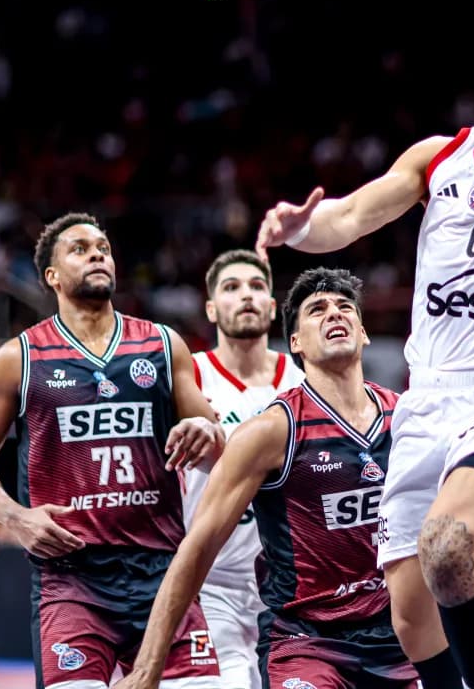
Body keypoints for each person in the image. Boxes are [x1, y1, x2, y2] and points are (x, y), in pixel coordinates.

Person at [255, 0, 474, 689]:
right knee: (411, 616)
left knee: (449, 553)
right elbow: (352, 215)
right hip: (429, 400)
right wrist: (301, 228)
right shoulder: (442, 156)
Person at [112, 267, 437, 689]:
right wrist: (147, 667)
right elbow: (197, 548)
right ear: (296, 342)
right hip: (309, 642)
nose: (334, 314)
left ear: (364, 331)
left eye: (344, 308)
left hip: (401, 637)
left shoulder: (408, 418)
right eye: (317, 310)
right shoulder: (270, 432)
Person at [0, 213, 225, 689]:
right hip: (71, 580)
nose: (97, 253)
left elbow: (213, 441)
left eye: (103, 246)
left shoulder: (163, 344)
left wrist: (208, 431)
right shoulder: (20, 358)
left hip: (162, 574)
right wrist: (14, 517)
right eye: (79, 249)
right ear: (51, 276)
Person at [183, 250, 306, 688]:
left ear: (273, 307)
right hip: (212, 584)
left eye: (257, 287)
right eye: (231, 288)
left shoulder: (305, 379)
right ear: (212, 309)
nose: (246, 296)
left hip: (298, 588)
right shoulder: (189, 377)